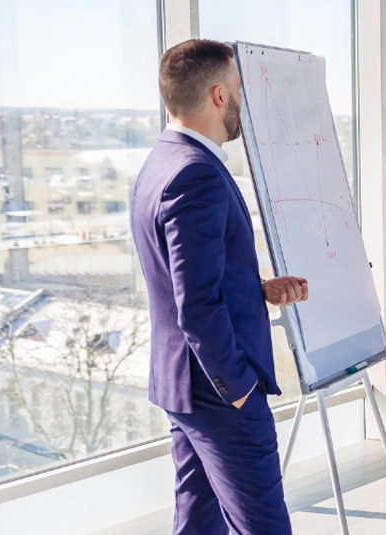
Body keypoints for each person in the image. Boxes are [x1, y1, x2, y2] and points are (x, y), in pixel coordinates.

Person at [131, 39, 308, 535]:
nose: (241, 101)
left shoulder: (162, 161)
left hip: (182, 384)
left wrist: (256, 287)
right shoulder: (197, 174)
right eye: (238, 90)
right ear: (218, 95)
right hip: (218, 392)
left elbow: (185, 277)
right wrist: (239, 390)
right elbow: (197, 305)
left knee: (198, 522)